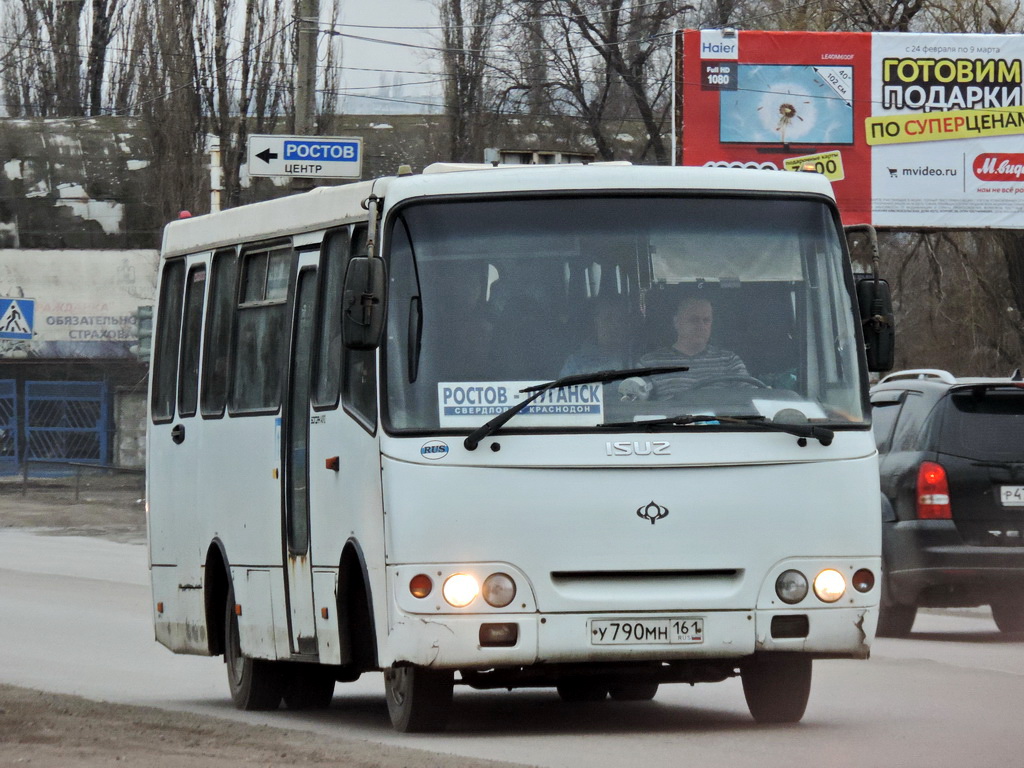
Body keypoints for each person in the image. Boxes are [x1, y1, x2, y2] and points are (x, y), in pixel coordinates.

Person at [639, 294, 748, 399]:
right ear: (677, 322)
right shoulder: (650, 364)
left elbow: (751, 396)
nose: (701, 326)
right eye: (694, 320)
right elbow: (634, 402)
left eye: (706, 320)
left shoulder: (729, 361)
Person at [560, 296, 637, 378]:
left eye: (620, 320)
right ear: (596, 323)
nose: (614, 325)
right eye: (608, 319)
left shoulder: (635, 357)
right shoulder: (576, 363)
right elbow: (563, 389)